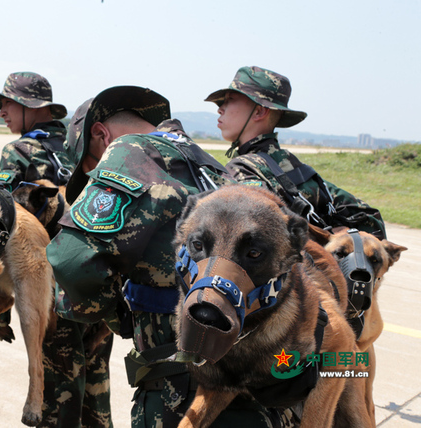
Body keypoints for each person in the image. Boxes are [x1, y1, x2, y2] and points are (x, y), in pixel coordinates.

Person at [46, 86, 239, 427]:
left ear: (100, 136)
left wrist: (113, 313)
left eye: (91, 166)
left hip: (177, 376)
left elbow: (72, 262)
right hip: (237, 369)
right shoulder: (212, 166)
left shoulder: (128, 149)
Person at [0, 72, 114, 428]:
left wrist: (1, 301)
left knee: (57, 399)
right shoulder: (83, 147)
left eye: (7, 103)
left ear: (30, 107)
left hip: (53, 292)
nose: (1, 112)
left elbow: (6, 224)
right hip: (96, 284)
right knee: (96, 395)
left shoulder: (19, 151)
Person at [206, 65, 386, 239]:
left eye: (230, 100)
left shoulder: (243, 170)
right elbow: (372, 219)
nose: (220, 109)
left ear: (259, 112)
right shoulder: (297, 168)